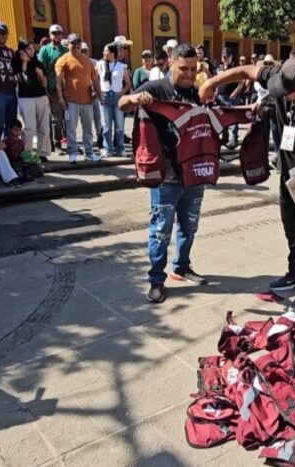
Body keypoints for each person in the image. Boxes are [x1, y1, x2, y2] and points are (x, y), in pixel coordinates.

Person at [200, 56, 295, 312]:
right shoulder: (284, 77)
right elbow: (248, 71)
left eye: (287, 93)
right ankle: (294, 273)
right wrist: (213, 82)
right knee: (290, 228)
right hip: (287, 174)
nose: (281, 93)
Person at [118, 43, 209, 303]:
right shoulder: (156, 88)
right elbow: (123, 103)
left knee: (189, 225)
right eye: (184, 69)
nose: (189, 74)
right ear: (171, 63)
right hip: (166, 176)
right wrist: (135, 98)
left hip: (193, 173)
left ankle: (181, 267)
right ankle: (157, 279)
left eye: (193, 69)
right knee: (161, 230)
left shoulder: (197, 92)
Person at [55, 33, 101, 163]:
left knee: (88, 129)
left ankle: (89, 153)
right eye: (73, 43)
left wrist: (100, 95)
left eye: (78, 43)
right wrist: (61, 98)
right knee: (71, 129)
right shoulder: (62, 60)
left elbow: (95, 79)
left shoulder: (87, 60)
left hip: (87, 101)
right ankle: (72, 153)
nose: (76, 46)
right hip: (71, 101)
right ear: (68, 45)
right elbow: (58, 81)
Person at [14, 39, 50, 161]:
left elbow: (45, 84)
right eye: (29, 49)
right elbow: (23, 80)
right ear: (22, 51)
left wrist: (40, 75)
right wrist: (24, 62)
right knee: (29, 127)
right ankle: (27, 152)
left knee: (44, 126)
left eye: (32, 48)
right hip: (26, 98)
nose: (32, 51)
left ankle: (43, 152)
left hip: (41, 96)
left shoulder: (38, 63)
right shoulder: (17, 63)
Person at [37, 24, 69, 153]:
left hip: (59, 89)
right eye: (54, 33)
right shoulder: (45, 50)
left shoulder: (65, 51)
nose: (57, 36)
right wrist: (43, 88)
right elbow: (40, 69)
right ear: (50, 35)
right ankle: (48, 143)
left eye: (59, 33)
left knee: (58, 118)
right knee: (45, 118)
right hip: (46, 88)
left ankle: (58, 141)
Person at [96, 43, 131, 158]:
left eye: (106, 51)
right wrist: (98, 92)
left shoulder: (121, 66)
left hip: (116, 95)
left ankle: (120, 148)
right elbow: (94, 79)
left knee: (119, 125)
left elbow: (128, 83)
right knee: (106, 125)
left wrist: (120, 93)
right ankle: (107, 148)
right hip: (105, 95)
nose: (104, 53)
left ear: (112, 53)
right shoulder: (100, 64)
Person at [215, 48, 241, 148]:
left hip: (231, 97)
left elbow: (241, 82)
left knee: (233, 118)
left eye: (227, 56)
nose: (225, 59)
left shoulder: (235, 68)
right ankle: (225, 136)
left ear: (231, 57)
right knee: (222, 117)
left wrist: (235, 93)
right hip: (221, 96)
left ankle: (234, 138)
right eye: (223, 56)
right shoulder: (220, 68)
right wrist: (216, 93)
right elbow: (217, 82)